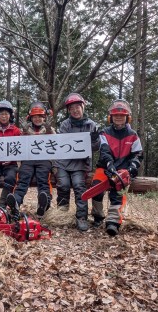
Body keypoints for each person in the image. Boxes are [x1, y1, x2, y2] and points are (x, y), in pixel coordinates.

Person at [91, 99, 143, 236]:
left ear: (127, 117)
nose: (119, 118)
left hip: (123, 169)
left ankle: (113, 222)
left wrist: (131, 168)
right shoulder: (104, 133)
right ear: (111, 117)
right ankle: (98, 216)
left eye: (122, 115)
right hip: (105, 167)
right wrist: (110, 165)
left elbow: (138, 154)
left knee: (118, 190)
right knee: (96, 187)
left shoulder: (133, 135)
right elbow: (104, 151)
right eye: (115, 115)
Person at [54, 93, 100, 231]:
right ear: (68, 110)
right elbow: (63, 144)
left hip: (81, 164)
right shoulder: (65, 124)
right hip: (63, 162)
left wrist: (94, 139)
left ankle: (81, 217)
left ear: (83, 107)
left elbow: (96, 148)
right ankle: (61, 214)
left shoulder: (92, 125)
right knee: (63, 185)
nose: (75, 110)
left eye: (77, 107)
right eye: (72, 108)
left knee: (80, 186)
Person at [7, 101, 55, 219]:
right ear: (30, 117)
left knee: (43, 179)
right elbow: (20, 145)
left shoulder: (49, 128)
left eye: (40, 116)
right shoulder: (26, 128)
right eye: (35, 117)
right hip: (28, 160)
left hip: (44, 160)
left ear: (44, 117)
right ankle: (16, 202)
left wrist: (49, 131)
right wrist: (24, 133)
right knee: (23, 179)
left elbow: (56, 144)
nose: (37, 119)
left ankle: (44, 203)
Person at [0, 100, 22, 207]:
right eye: (1, 114)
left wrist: (11, 159)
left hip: (11, 164)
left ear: (10, 115)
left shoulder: (16, 131)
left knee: (11, 178)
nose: (4, 116)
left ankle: (2, 205)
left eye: (6, 113)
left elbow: (20, 148)